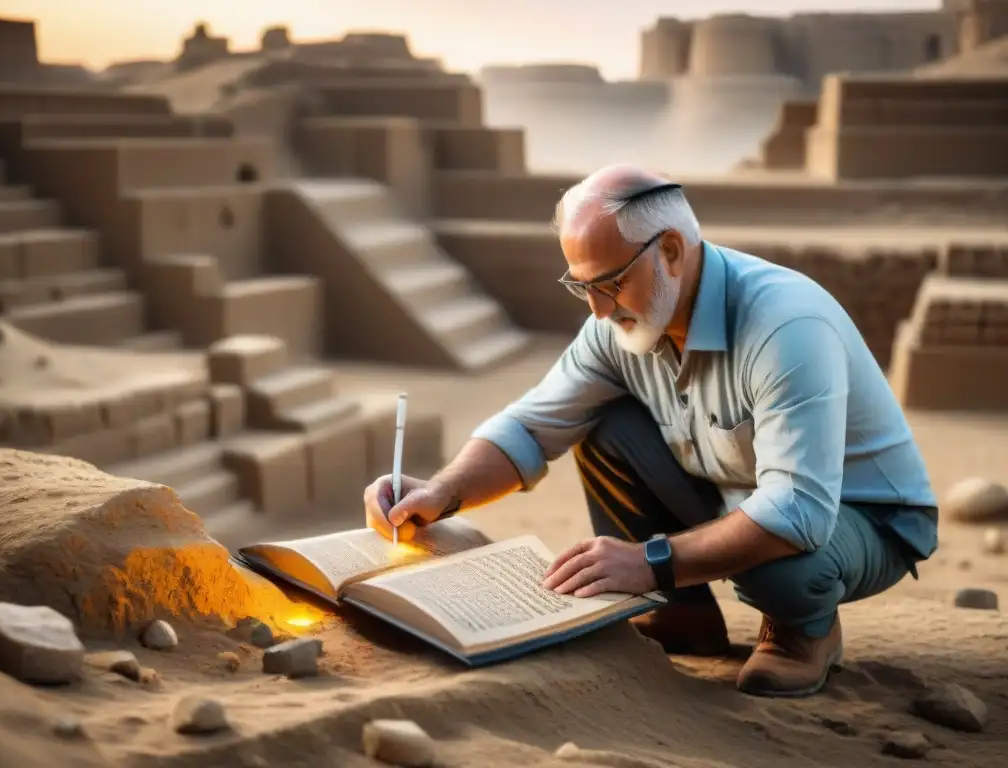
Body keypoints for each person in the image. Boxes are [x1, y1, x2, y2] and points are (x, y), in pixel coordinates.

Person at [363, 164, 938, 698]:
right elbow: (534, 425)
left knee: (778, 566)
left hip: (860, 515)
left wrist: (649, 561)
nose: (596, 310)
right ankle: (679, 611)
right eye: (580, 285)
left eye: (608, 283)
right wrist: (442, 492)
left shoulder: (786, 325)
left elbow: (798, 511)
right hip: (737, 492)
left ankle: (802, 631)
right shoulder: (621, 323)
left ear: (669, 251)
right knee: (604, 424)